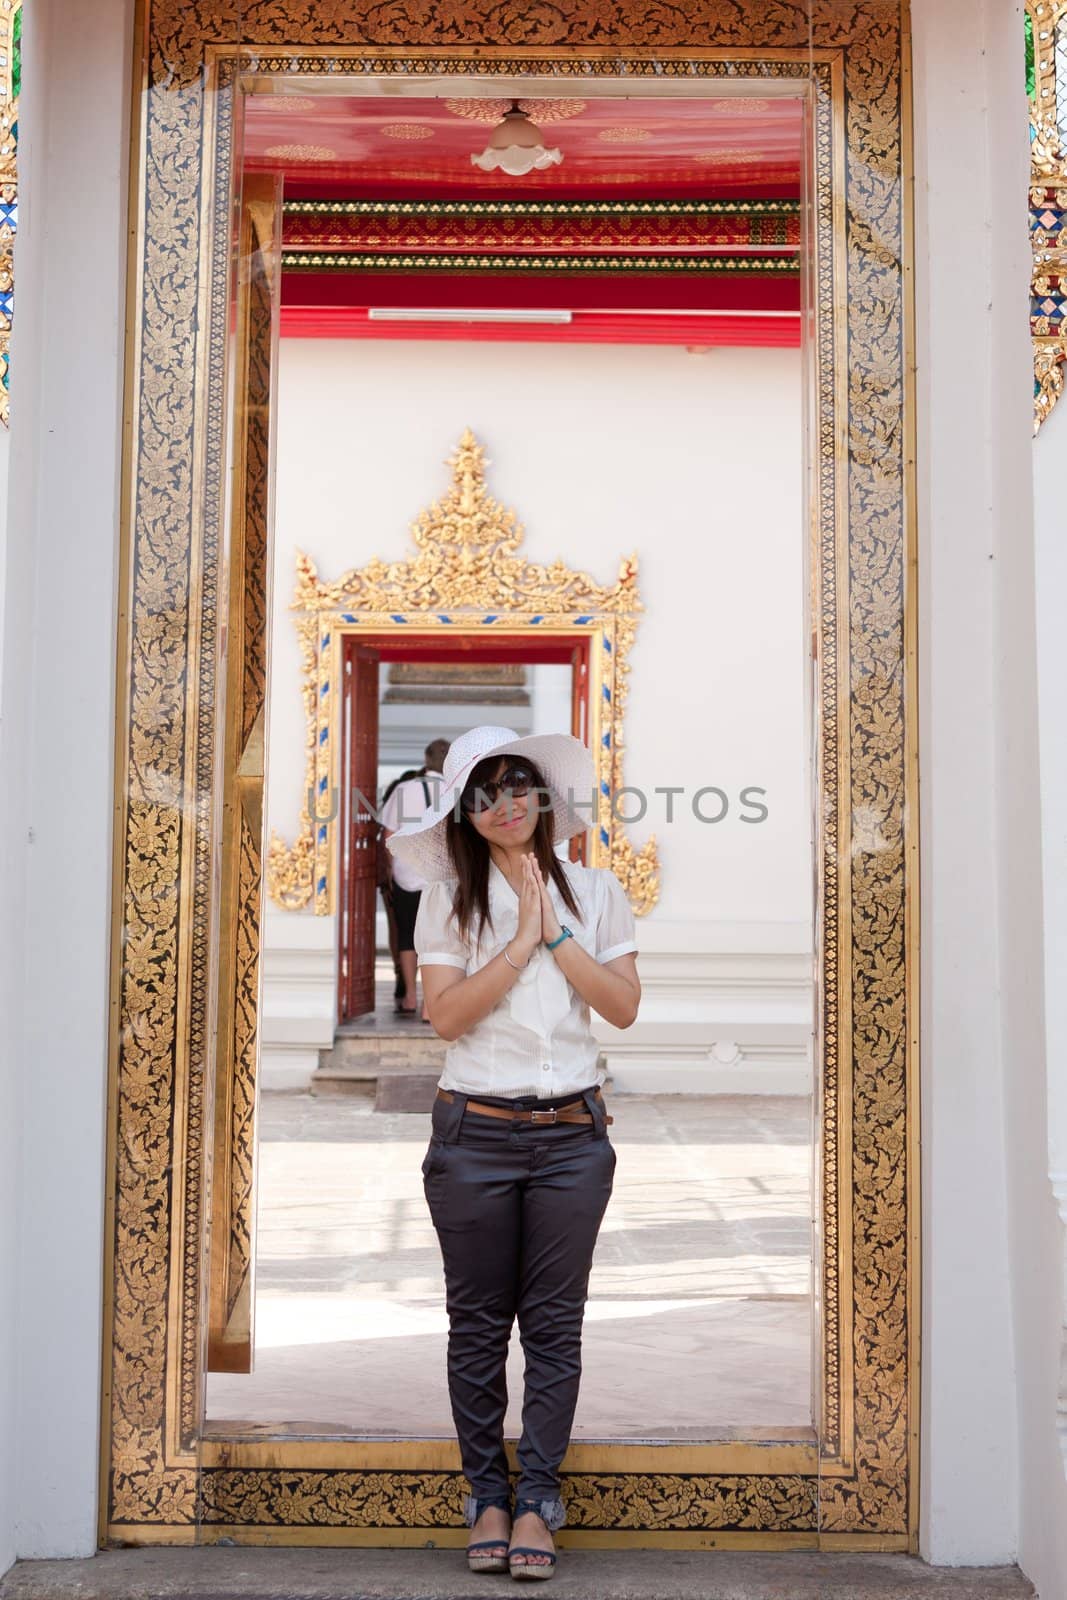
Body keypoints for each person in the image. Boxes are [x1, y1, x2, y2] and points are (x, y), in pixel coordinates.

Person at [386, 725, 641, 1581]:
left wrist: (555, 932)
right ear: (466, 809)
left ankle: (537, 1501)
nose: (505, 804)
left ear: (542, 799)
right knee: (478, 1327)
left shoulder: (599, 892)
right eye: (486, 791)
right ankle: (485, 1497)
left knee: (556, 1329)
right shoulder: (449, 898)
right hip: (474, 1137)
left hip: (572, 1139)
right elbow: (447, 1017)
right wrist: (518, 938)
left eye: (519, 786)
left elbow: (622, 1007)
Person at [380, 738, 450, 1018]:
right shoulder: (455, 791)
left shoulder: (403, 789)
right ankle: (429, 1005)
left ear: (425, 758)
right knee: (438, 938)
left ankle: (410, 995)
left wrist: (390, 868)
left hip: (406, 872)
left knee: (407, 935)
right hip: (442, 875)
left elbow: (388, 834)